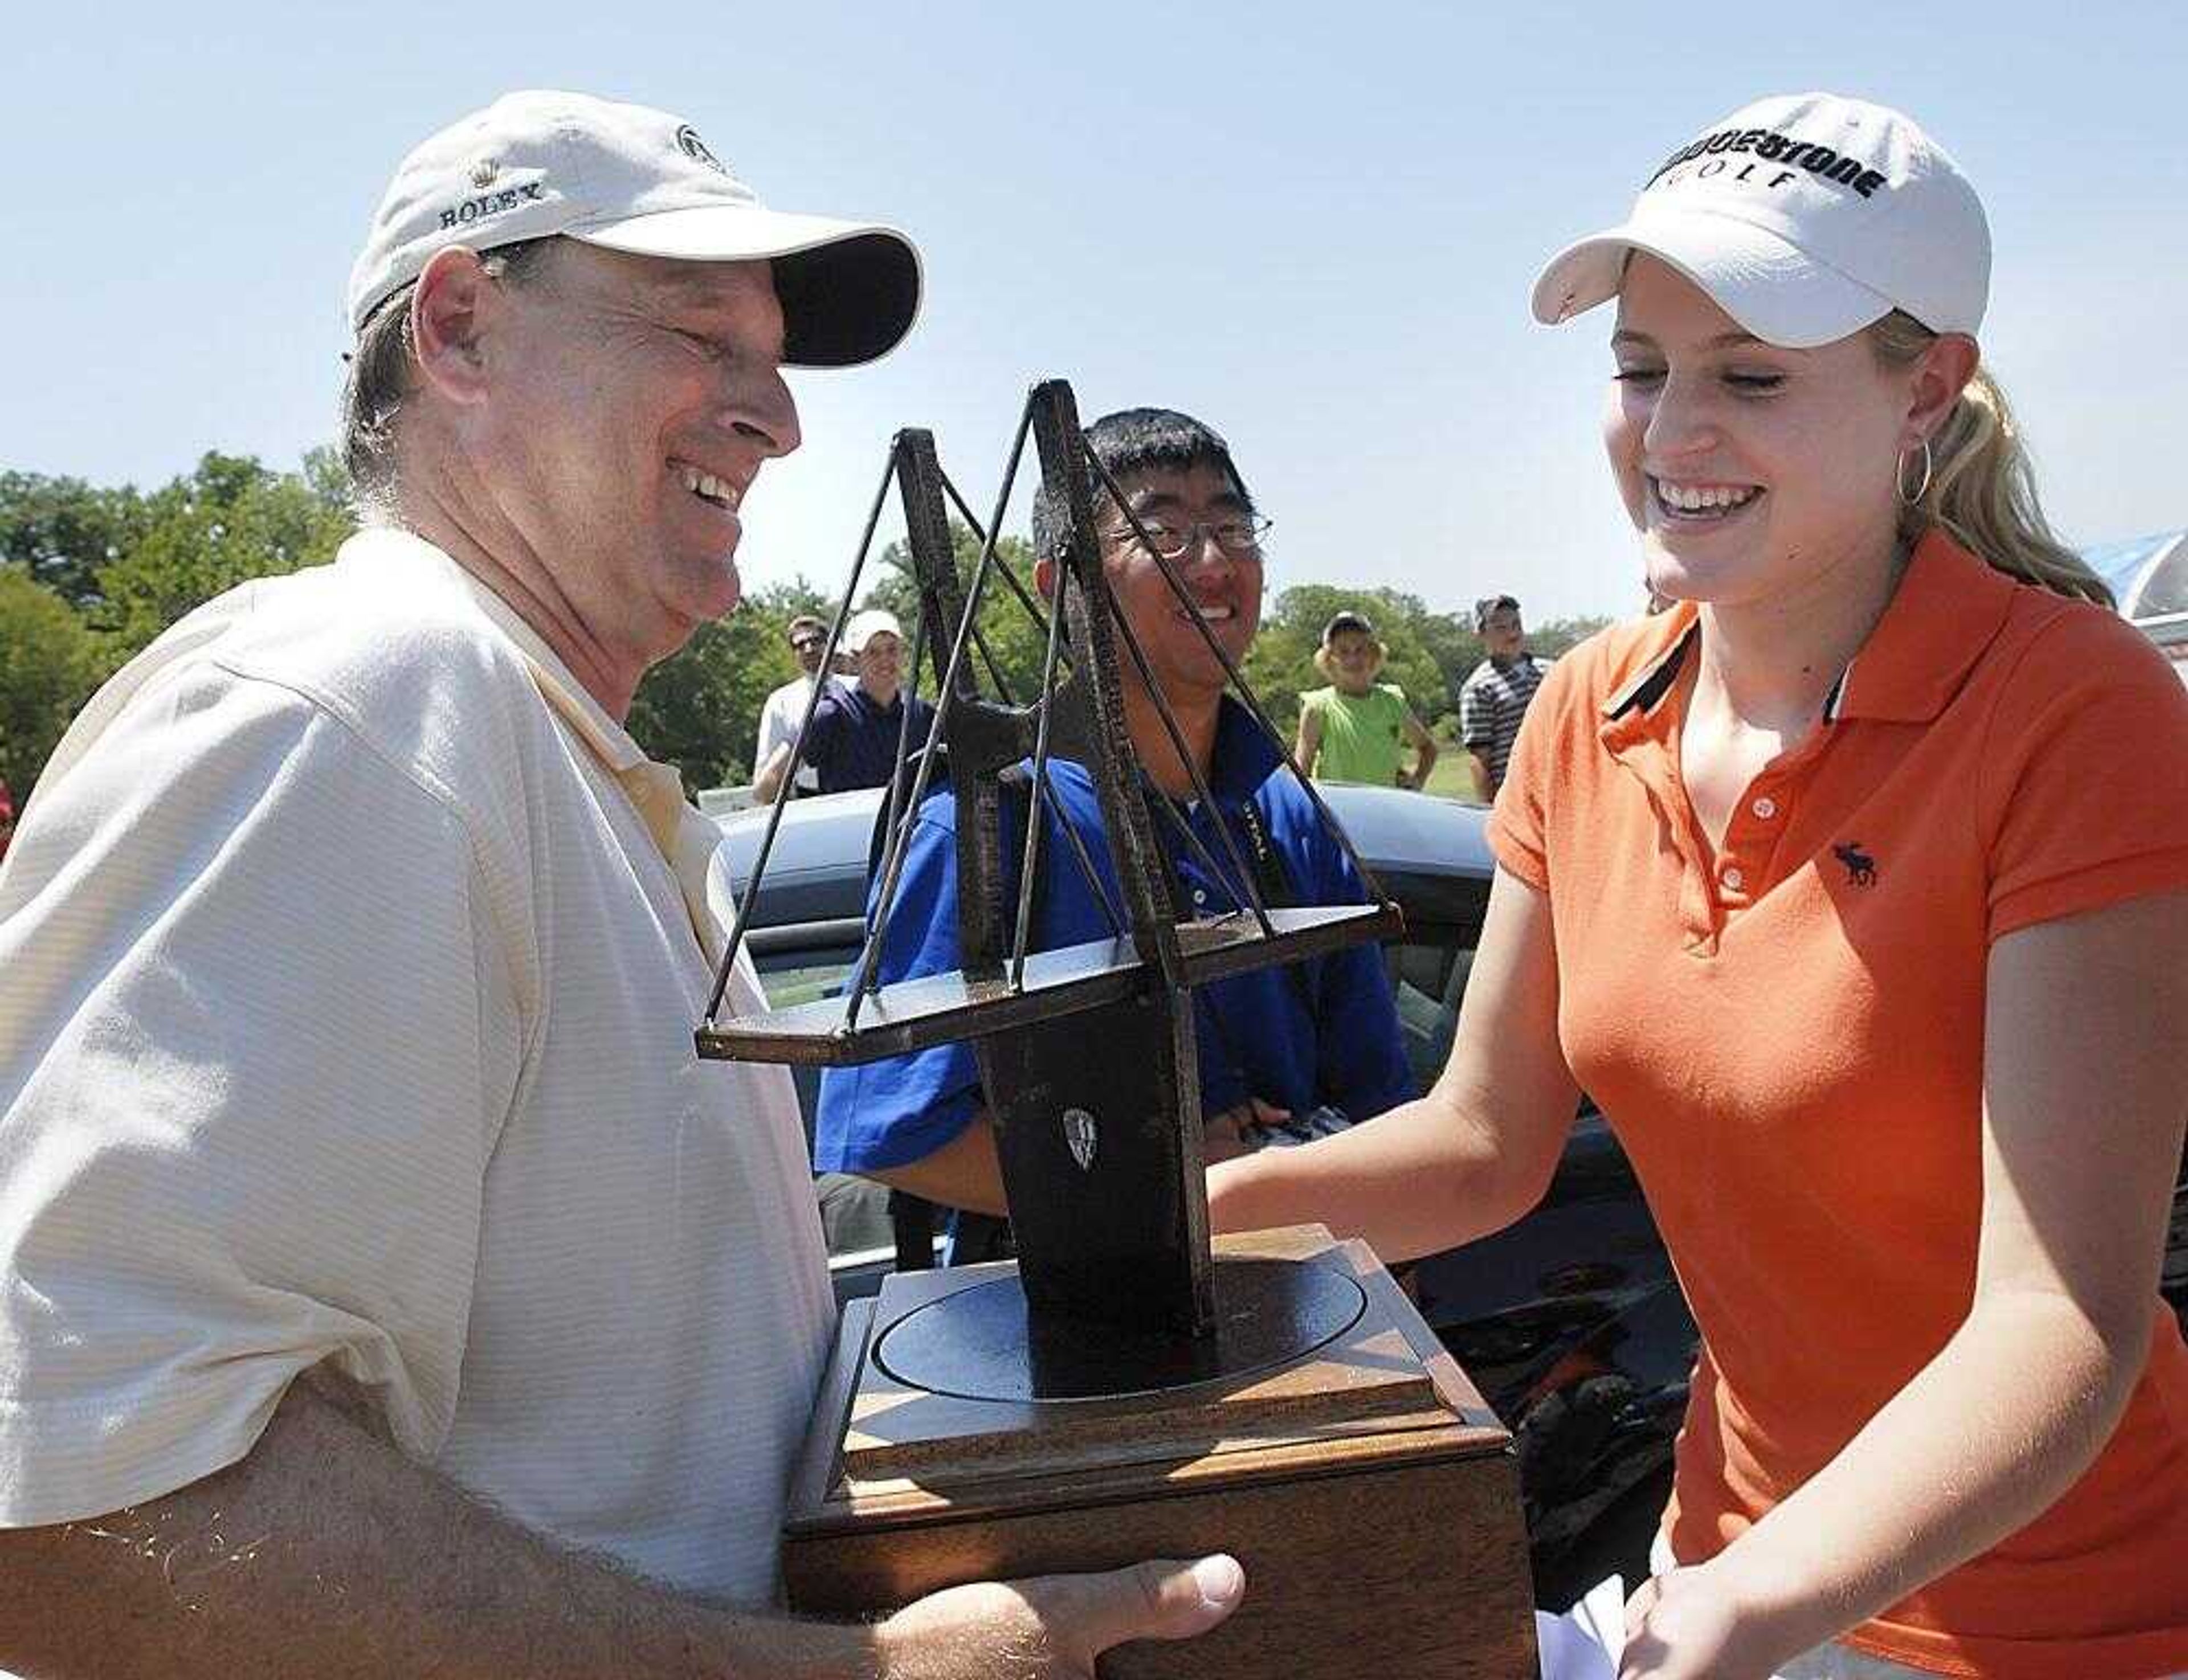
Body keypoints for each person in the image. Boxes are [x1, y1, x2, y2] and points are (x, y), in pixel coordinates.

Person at [0, 91, 1242, 1678]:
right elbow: (67, 1508)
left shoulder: (541, 748)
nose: (779, 417)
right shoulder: (353, 707)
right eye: (697, 331)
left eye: (772, 354)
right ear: (458, 328)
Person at [1210, 92, 2188, 1680]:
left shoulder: (2076, 711)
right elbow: (1480, 1145)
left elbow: (2061, 1318)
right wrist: (1190, 1226)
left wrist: (1758, 1603)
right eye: (1641, 369)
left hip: (2049, 1617)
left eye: (1749, 377)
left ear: (1925, 392)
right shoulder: (1586, 710)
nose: (1672, 435)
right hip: (1721, 1557)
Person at [814, 407, 1413, 1219]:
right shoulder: (992, 825)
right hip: (1079, 1334)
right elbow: (891, 1131)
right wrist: (1164, 1178)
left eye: (1235, 526)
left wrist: (1390, 1268)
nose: (1211, 561)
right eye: (1160, 531)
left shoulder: (1287, 813)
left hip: (1324, 1307)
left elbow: (1381, 1105)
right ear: (1062, 584)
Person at [757, 606, 936, 798]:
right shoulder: (830, 714)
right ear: (855, 660)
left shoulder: (921, 713)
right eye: (873, 652)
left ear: (903, 654)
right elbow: (766, 789)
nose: (885, 660)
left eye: (892, 649)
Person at [1293, 610, 1439, 789]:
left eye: (1360, 649)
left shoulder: (1392, 701)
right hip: (1338, 812)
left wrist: (1417, 781)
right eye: (1343, 651)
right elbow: (1301, 772)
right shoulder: (1318, 706)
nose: (1353, 658)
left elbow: (1428, 748)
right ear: (1329, 660)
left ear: (1374, 654)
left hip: (1387, 810)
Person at [1456, 594, 1550, 800]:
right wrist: (1490, 811)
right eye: (1501, 628)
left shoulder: (1551, 671)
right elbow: (1480, 759)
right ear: (1481, 634)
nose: (1513, 633)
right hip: (1518, 798)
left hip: (1560, 787)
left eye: (1516, 624)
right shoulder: (1478, 688)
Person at [749, 611, 836, 799]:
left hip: (858, 790)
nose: (809, 649)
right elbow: (766, 771)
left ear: (829, 644)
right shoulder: (780, 702)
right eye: (800, 645)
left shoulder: (854, 689)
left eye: (815, 640)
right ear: (794, 654)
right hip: (807, 798)